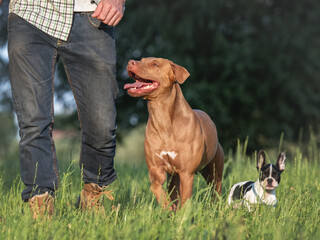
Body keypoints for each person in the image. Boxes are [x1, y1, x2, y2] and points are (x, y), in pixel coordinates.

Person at [7, 0, 126, 219]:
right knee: (34, 121)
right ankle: (41, 204)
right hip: (30, 13)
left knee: (103, 124)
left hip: (94, 13)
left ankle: (93, 194)